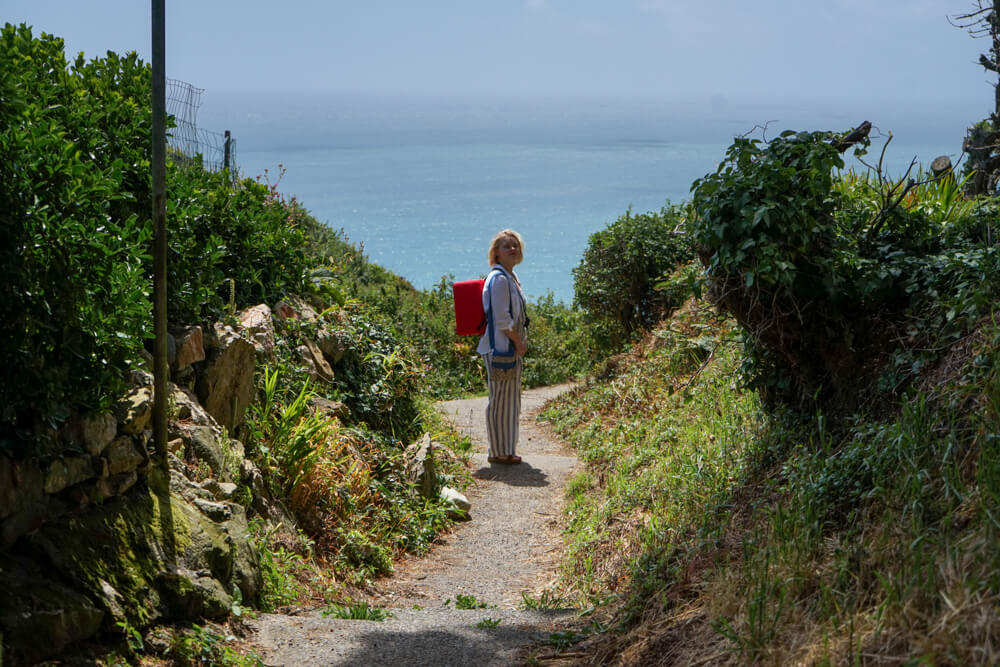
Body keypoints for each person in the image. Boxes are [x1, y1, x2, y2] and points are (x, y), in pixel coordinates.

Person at [477, 229, 528, 465]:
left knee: (510, 400)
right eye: (507, 246)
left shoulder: (510, 277)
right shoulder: (498, 279)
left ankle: (506, 449)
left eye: (515, 245)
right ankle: (498, 452)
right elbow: (502, 318)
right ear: (496, 253)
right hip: (500, 348)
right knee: (500, 400)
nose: (513, 249)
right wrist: (518, 341)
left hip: (506, 348)